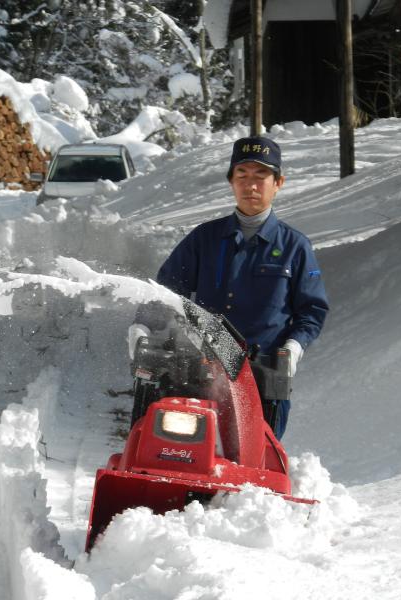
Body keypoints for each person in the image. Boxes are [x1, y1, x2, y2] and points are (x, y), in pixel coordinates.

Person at [128, 136, 329, 439]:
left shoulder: (295, 247)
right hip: (202, 370)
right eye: (242, 176)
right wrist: (143, 325)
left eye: (261, 176)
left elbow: (311, 311)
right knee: (182, 452)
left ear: (279, 182)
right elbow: (167, 291)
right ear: (231, 182)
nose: (251, 185)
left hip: (263, 378)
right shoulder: (204, 239)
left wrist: (294, 347)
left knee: (252, 469)